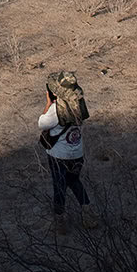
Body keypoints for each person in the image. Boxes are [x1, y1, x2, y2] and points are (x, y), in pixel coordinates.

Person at [37, 85, 93, 231]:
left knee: (59, 186)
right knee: (74, 181)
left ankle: (60, 221)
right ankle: (88, 213)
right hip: (77, 153)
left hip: (58, 156)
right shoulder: (79, 106)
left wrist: (48, 104)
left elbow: (42, 124)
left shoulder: (55, 110)